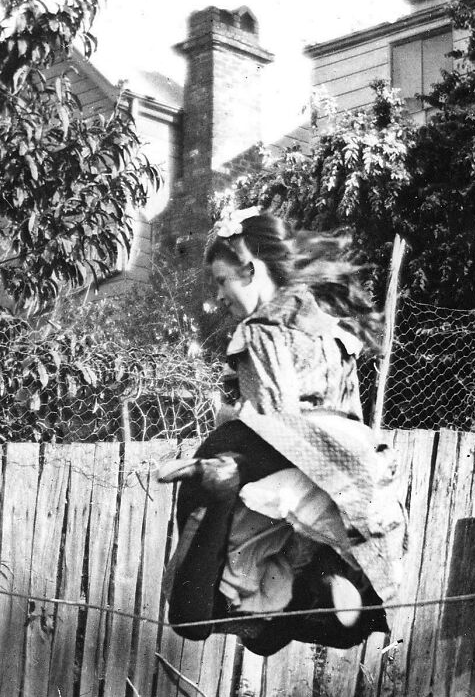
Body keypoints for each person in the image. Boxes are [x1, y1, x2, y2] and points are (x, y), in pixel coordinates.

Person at [158, 209, 406, 656]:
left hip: (276, 456)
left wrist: (230, 452)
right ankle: (326, 587)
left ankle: (239, 596)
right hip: (341, 466)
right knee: (295, 600)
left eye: (221, 280)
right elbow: (349, 414)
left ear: (251, 271)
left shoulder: (259, 331)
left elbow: (277, 417)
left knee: (188, 614)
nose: (218, 296)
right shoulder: (327, 327)